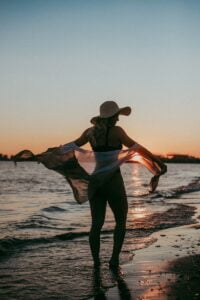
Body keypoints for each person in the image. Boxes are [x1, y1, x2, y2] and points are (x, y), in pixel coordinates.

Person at [74, 101, 166, 268]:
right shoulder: (117, 131)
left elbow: (70, 147)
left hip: (95, 180)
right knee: (121, 221)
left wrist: (49, 154)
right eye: (117, 115)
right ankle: (114, 259)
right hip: (112, 180)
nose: (118, 118)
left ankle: (96, 263)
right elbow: (137, 148)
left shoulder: (89, 132)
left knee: (96, 224)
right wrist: (158, 161)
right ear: (113, 116)